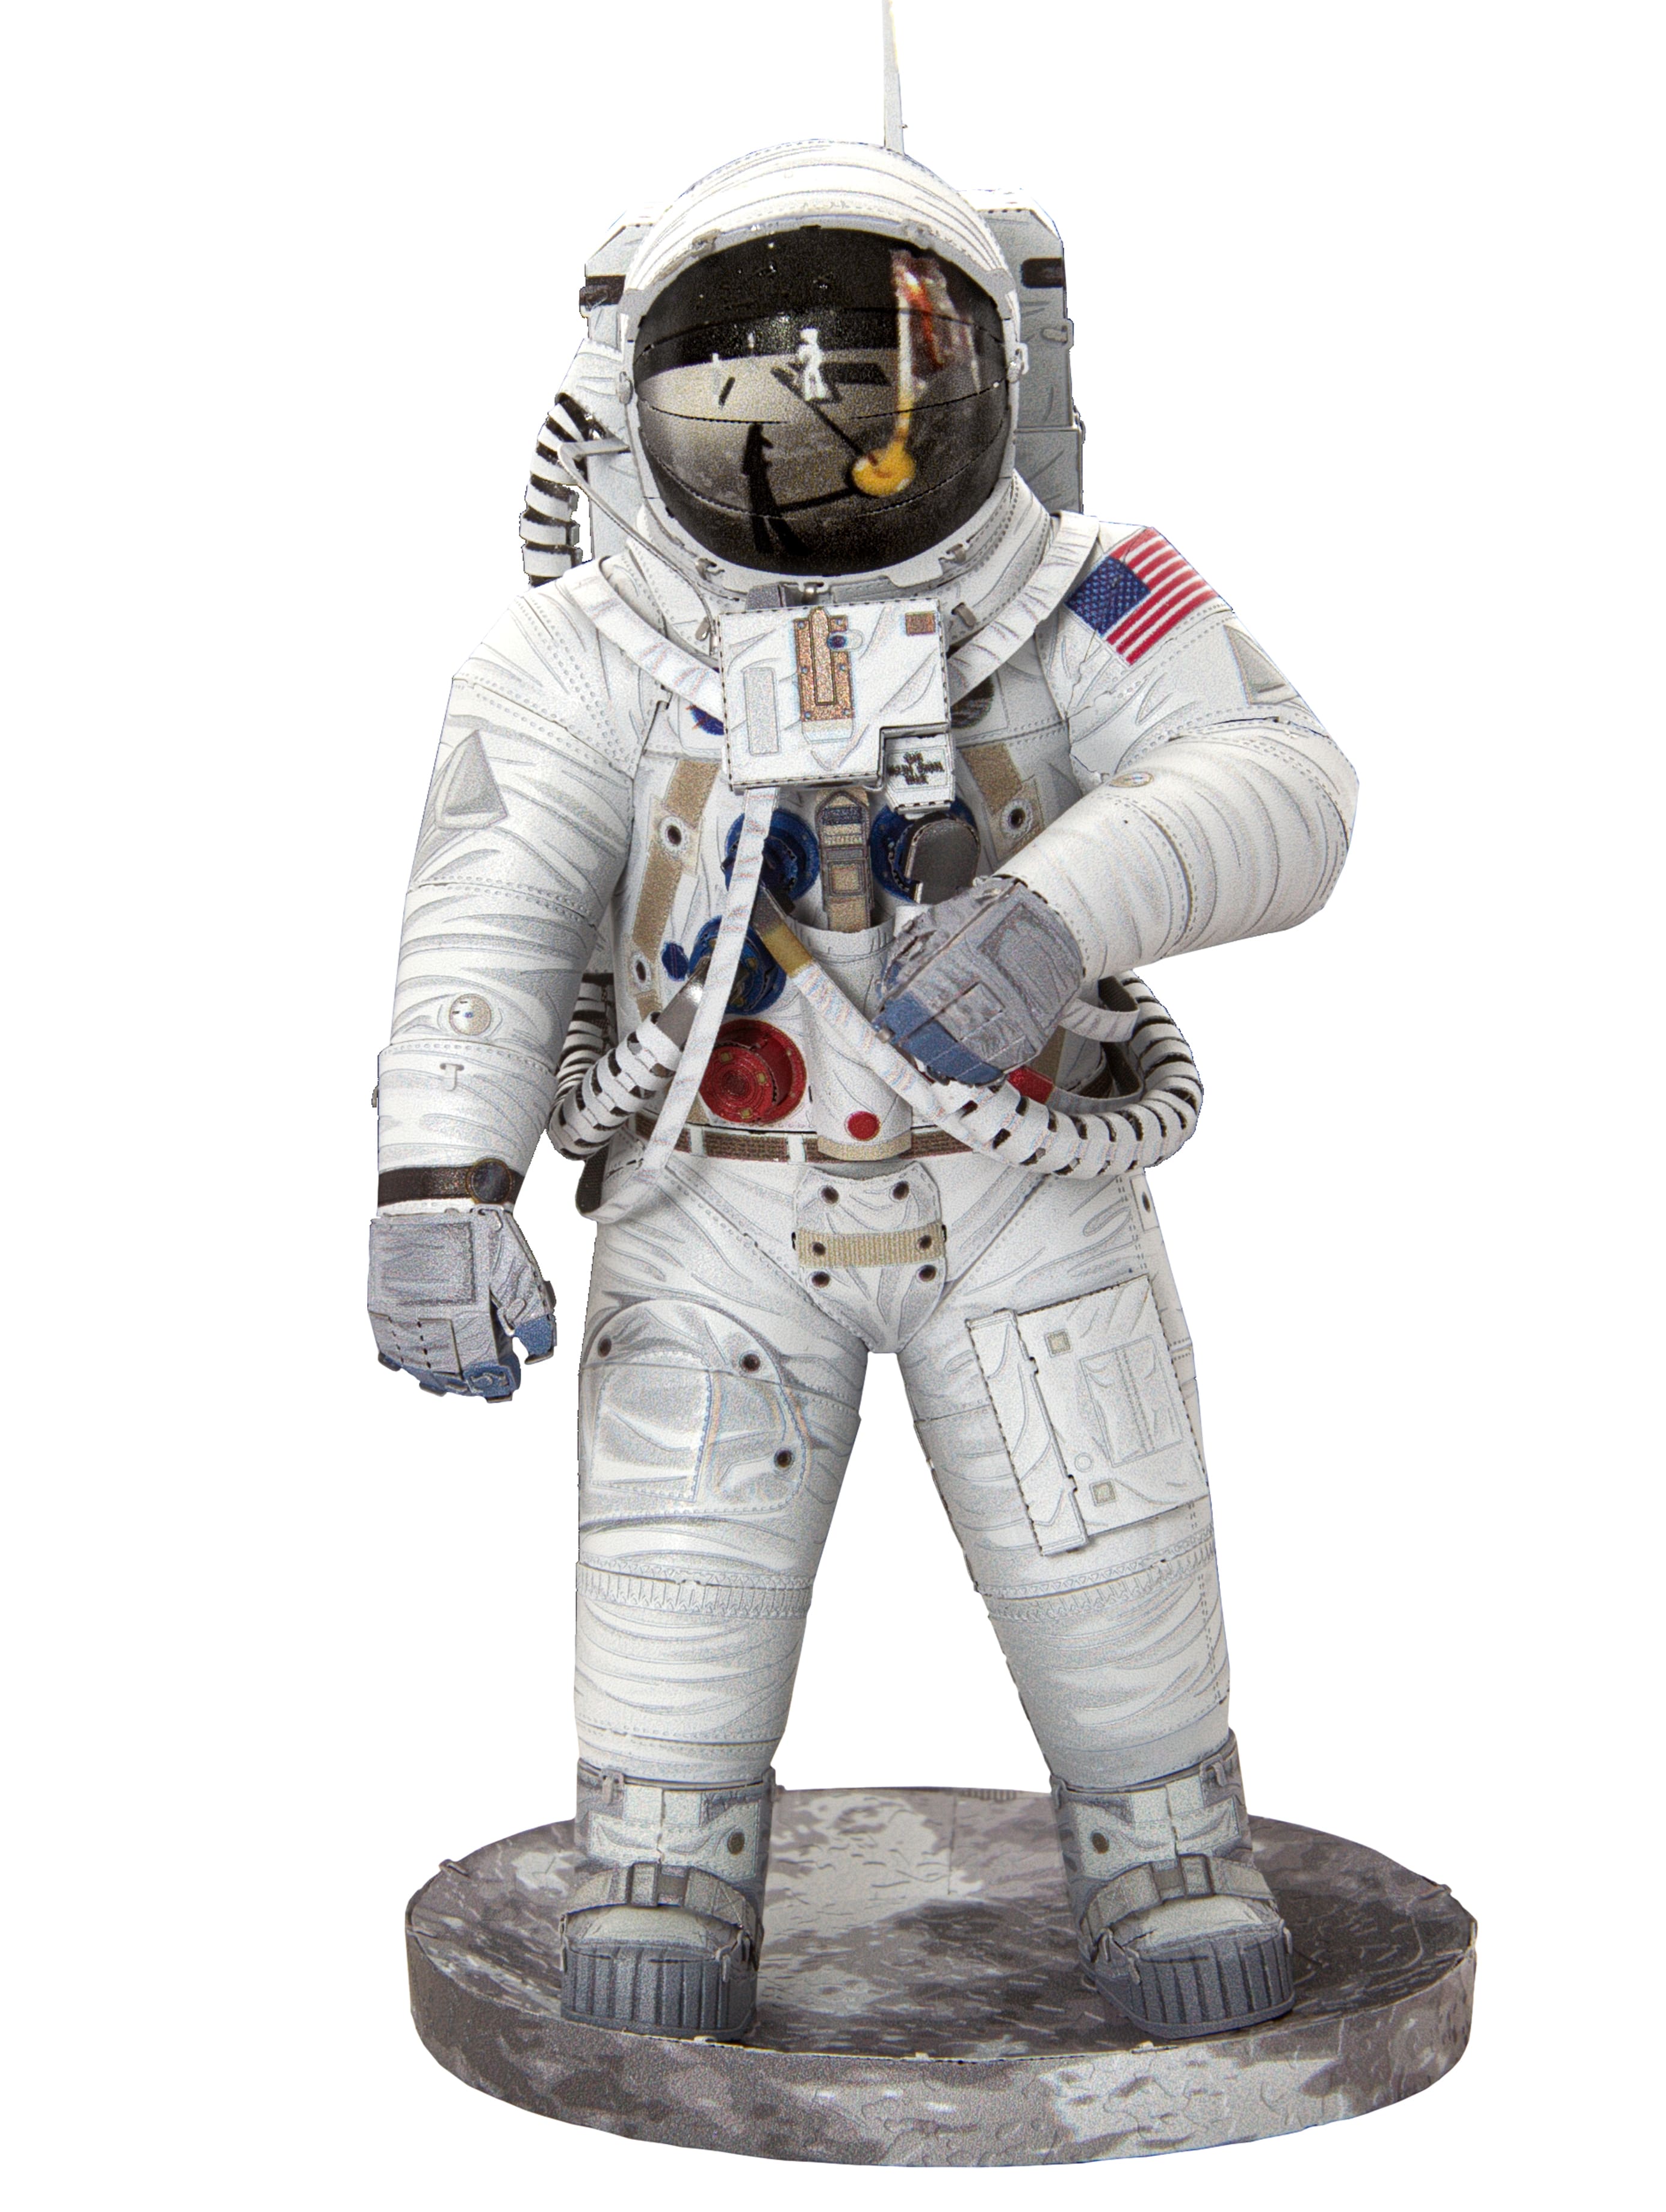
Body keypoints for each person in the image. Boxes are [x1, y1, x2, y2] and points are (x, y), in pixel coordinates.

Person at [367, 138, 1357, 2044]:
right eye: (744, 388)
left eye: (878, 380)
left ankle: (1165, 1849)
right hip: (715, 1188)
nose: (821, 439)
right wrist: (440, 1184)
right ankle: (662, 1858)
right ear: (634, 398)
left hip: (1018, 1187)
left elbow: (1283, 780)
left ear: (990, 364)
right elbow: (484, 910)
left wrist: (1059, 914)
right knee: (678, 1555)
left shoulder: (1086, 593)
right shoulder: (577, 651)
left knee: (1106, 1529)